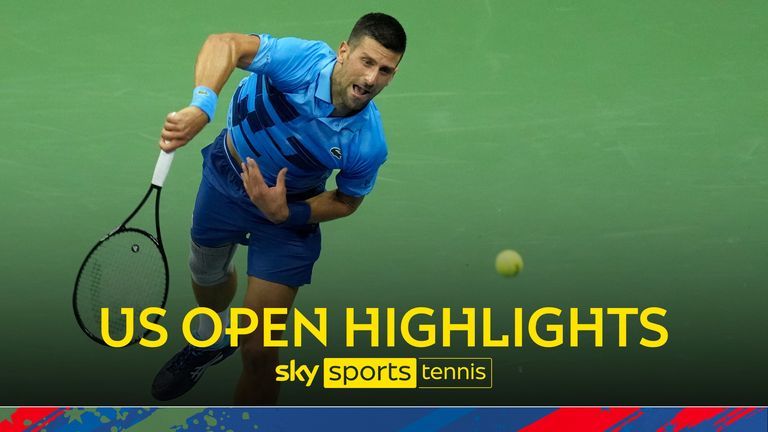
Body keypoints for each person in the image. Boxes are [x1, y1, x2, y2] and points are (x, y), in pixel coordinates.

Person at [150, 13, 407, 404]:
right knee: (205, 271)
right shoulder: (303, 61)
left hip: (288, 215)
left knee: (260, 351)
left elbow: (346, 200)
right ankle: (210, 340)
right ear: (344, 52)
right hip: (225, 177)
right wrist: (202, 106)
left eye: (386, 70)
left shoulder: (368, 142)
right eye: (366, 62)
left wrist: (289, 214)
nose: (372, 79)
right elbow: (226, 43)